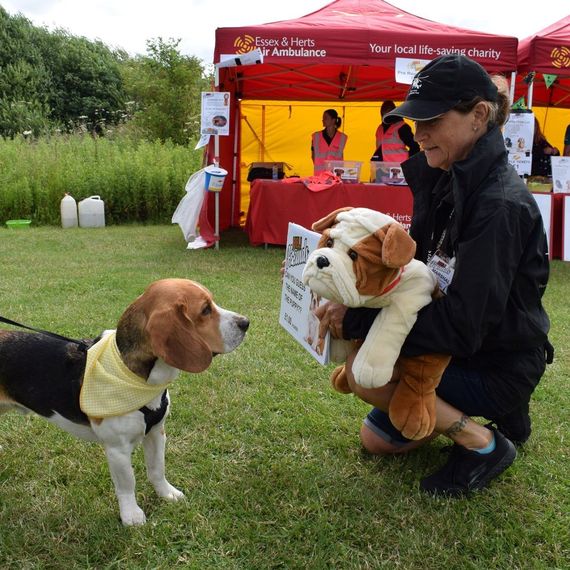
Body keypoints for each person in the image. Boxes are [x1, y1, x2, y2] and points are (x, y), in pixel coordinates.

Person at [314, 54, 552, 497]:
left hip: (495, 360)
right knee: (375, 441)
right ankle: (505, 411)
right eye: (414, 121)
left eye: (431, 120)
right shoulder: (447, 179)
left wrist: (357, 320)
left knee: (368, 373)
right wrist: (352, 286)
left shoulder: (498, 205)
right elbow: (414, 274)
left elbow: (464, 327)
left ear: (479, 116)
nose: (417, 134)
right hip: (469, 349)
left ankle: (483, 443)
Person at [311, 109, 348, 174]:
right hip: (320, 176)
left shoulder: (342, 137)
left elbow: (340, 156)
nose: (323, 120)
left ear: (333, 120)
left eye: (325, 118)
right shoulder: (316, 136)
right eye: (323, 118)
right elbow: (313, 156)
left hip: (335, 176)